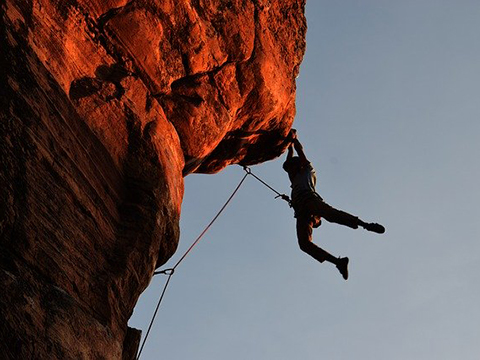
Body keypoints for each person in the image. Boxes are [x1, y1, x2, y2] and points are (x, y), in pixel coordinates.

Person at [283, 129, 385, 280]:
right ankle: (338, 262)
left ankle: (365, 224)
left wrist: (295, 140)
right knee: (304, 244)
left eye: (291, 167)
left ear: (298, 166)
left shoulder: (307, 170)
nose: (289, 171)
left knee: (331, 215)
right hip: (302, 211)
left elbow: (300, 152)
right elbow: (290, 158)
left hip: (311, 201)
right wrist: (289, 146)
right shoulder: (295, 177)